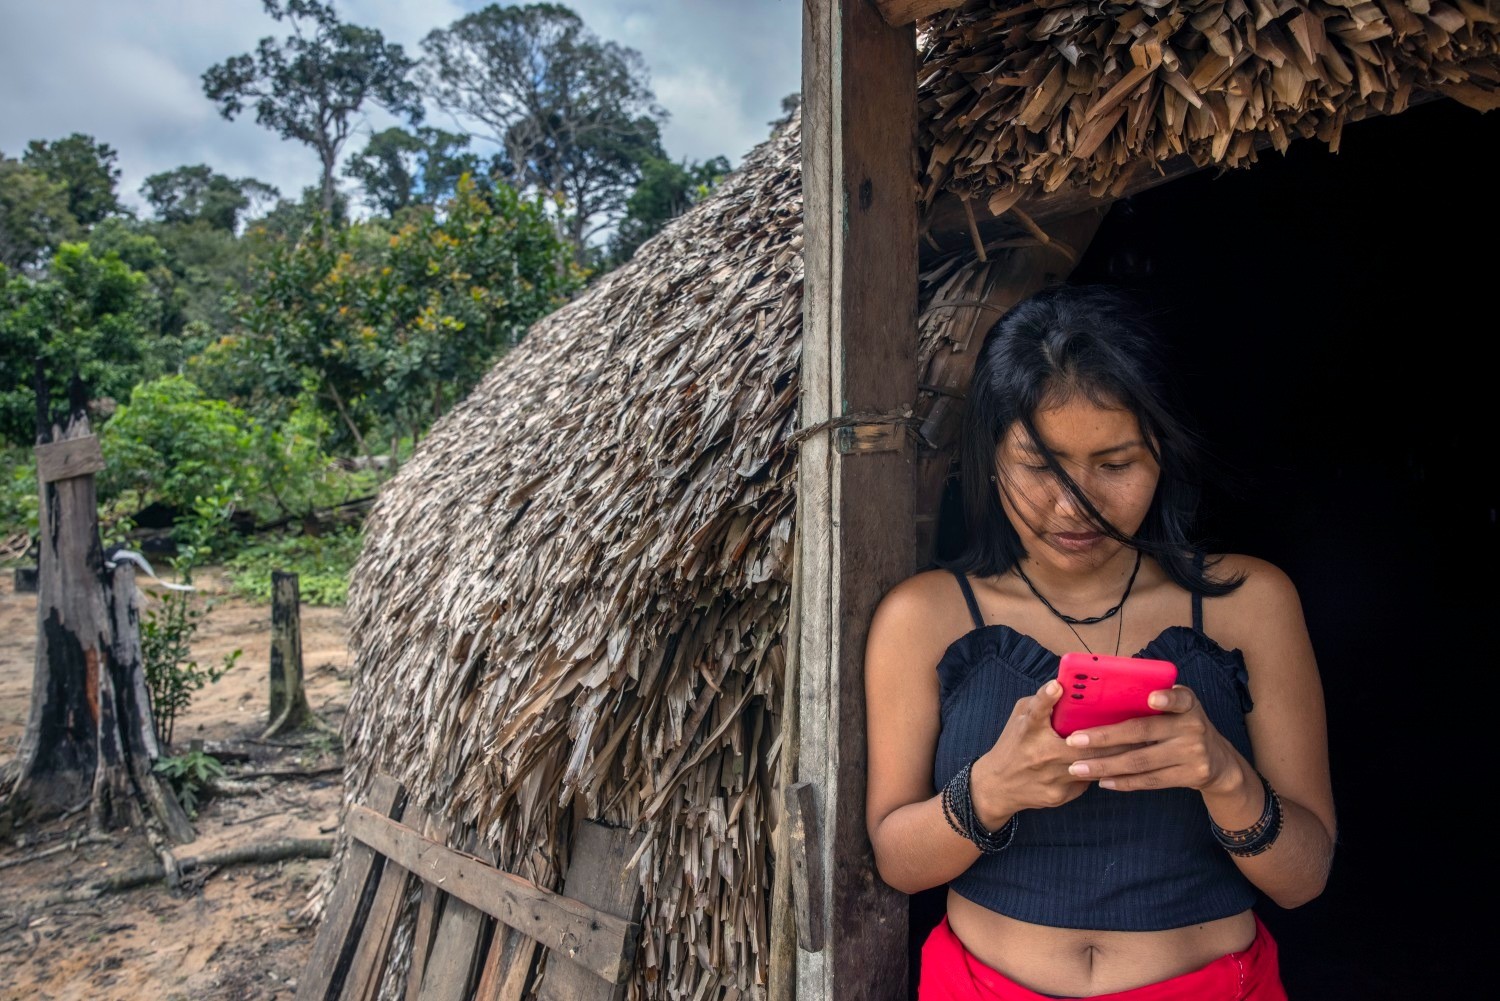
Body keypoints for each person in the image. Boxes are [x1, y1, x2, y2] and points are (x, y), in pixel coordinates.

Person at [864, 283, 1336, 999]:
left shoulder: (1249, 603)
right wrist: (991, 790)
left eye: (1115, 465)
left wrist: (1225, 776)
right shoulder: (926, 615)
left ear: (1163, 456)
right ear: (990, 458)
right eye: (1041, 466)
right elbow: (897, 859)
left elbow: (1306, 877)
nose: (1075, 503)